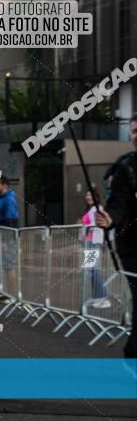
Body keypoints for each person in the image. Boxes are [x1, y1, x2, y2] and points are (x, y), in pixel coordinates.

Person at [95, 112, 137, 366]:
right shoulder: (126, 168)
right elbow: (117, 206)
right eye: (134, 132)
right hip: (132, 245)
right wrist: (108, 219)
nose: (136, 136)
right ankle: (132, 355)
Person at [80, 186, 109, 309]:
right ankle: (98, 297)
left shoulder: (98, 209)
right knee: (91, 271)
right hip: (89, 243)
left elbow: (97, 226)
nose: (88, 197)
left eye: (91, 195)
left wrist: (84, 229)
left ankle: (103, 298)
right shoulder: (91, 209)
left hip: (93, 243)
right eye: (87, 195)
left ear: (96, 197)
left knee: (93, 271)